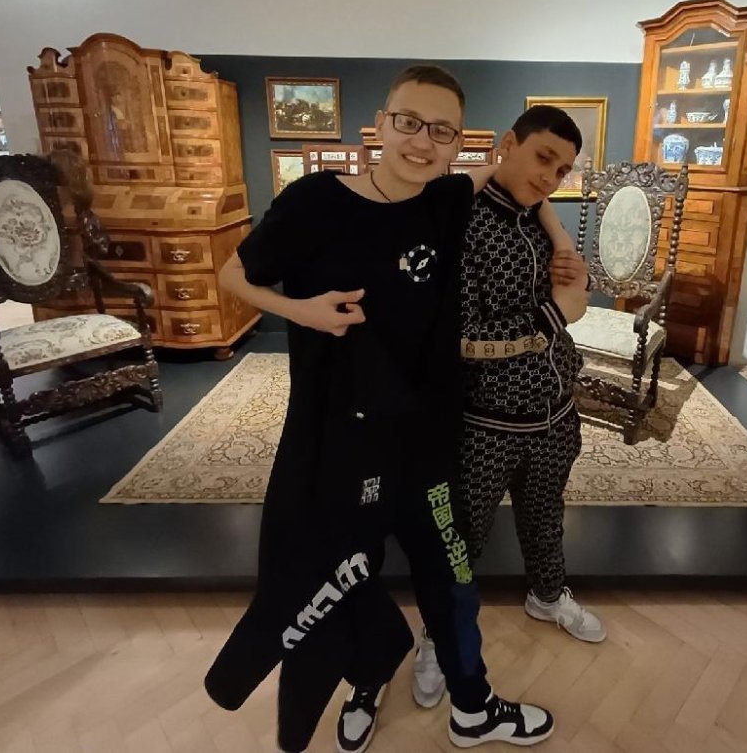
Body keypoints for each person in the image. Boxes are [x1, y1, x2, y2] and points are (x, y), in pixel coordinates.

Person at [204, 65, 555, 753]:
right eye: (409, 123)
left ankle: (473, 707)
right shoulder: (314, 201)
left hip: (428, 442)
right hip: (343, 442)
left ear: (457, 142)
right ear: (380, 123)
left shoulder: (444, 199)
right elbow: (230, 274)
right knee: (346, 575)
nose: (422, 142)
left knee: (451, 575)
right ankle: (366, 680)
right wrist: (300, 310)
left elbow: (516, 176)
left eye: (442, 131)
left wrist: (565, 243)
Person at [411, 105, 604, 712]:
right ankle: (439, 634)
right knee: (462, 537)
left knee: (545, 515)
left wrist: (569, 275)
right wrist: (558, 312)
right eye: (543, 157)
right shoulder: (462, 223)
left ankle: (547, 595)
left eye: (563, 169)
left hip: (555, 412)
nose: (551, 177)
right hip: (486, 422)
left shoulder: (538, 219)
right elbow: (462, 339)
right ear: (508, 144)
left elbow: (565, 296)